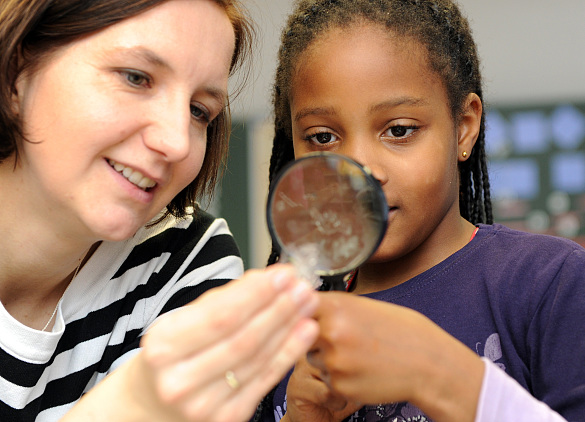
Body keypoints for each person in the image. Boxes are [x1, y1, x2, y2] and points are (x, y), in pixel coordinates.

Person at [256, 0, 585, 421]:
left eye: (399, 130)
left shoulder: (549, 283)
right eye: (323, 137)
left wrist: (436, 372)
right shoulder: (285, 326)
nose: (360, 172)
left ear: (464, 126)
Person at [0, 1, 320, 421]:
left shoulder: (187, 259)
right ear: (18, 71)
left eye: (199, 111)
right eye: (136, 78)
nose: (177, 143)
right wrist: (133, 402)